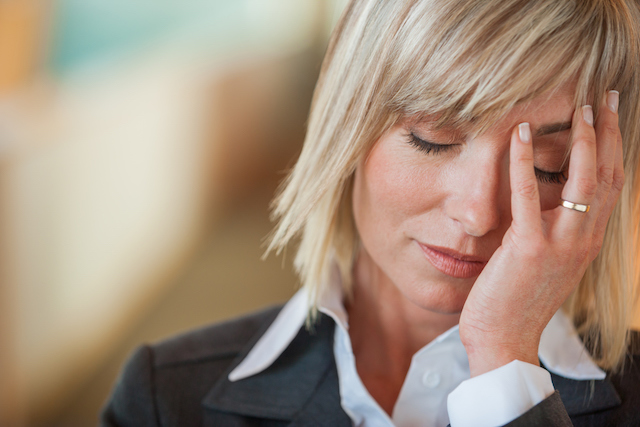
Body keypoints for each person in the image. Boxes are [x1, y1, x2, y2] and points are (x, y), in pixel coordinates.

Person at [101, 0, 640, 426]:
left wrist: (506, 365)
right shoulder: (166, 397)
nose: (478, 214)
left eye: (546, 168)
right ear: (349, 122)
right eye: (432, 139)